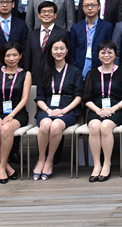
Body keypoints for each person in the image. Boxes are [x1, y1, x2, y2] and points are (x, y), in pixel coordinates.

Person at [33, 37, 83, 180]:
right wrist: (48, 110)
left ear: (67, 51)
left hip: (68, 109)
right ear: (50, 51)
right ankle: (41, 159)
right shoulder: (44, 71)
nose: (59, 51)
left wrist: (64, 110)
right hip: (48, 108)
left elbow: (78, 97)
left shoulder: (74, 71)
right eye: (55, 48)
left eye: (62, 48)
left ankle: (50, 160)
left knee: (55, 126)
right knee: (46, 124)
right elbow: (40, 98)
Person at [83, 40, 122, 182]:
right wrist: (98, 110)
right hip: (96, 109)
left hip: (117, 109)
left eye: (110, 52)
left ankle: (107, 164)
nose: (106, 55)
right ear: (98, 55)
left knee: (105, 126)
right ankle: (97, 164)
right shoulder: (92, 73)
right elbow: (86, 98)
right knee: (94, 126)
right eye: (103, 52)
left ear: (115, 54)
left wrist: (113, 109)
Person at [0, 42, 32, 183]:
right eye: (8, 55)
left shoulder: (26, 74)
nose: (11, 58)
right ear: (3, 57)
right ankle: (6, 165)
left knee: (6, 129)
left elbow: (24, 98)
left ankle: (1, 168)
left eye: (14, 55)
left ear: (20, 56)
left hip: (17, 113)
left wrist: (11, 115)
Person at [70, 0, 114, 79]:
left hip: (100, 67)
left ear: (99, 7)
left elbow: (110, 48)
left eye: (93, 5)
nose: (90, 8)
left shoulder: (107, 27)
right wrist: (74, 65)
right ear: (82, 8)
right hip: (80, 67)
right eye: (86, 5)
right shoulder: (75, 27)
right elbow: (72, 51)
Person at [23, 1, 70, 76]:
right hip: (35, 76)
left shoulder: (63, 33)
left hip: (55, 75)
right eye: (43, 12)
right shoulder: (31, 35)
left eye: (50, 11)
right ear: (39, 15)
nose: (46, 14)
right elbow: (28, 58)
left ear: (55, 15)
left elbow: (67, 57)